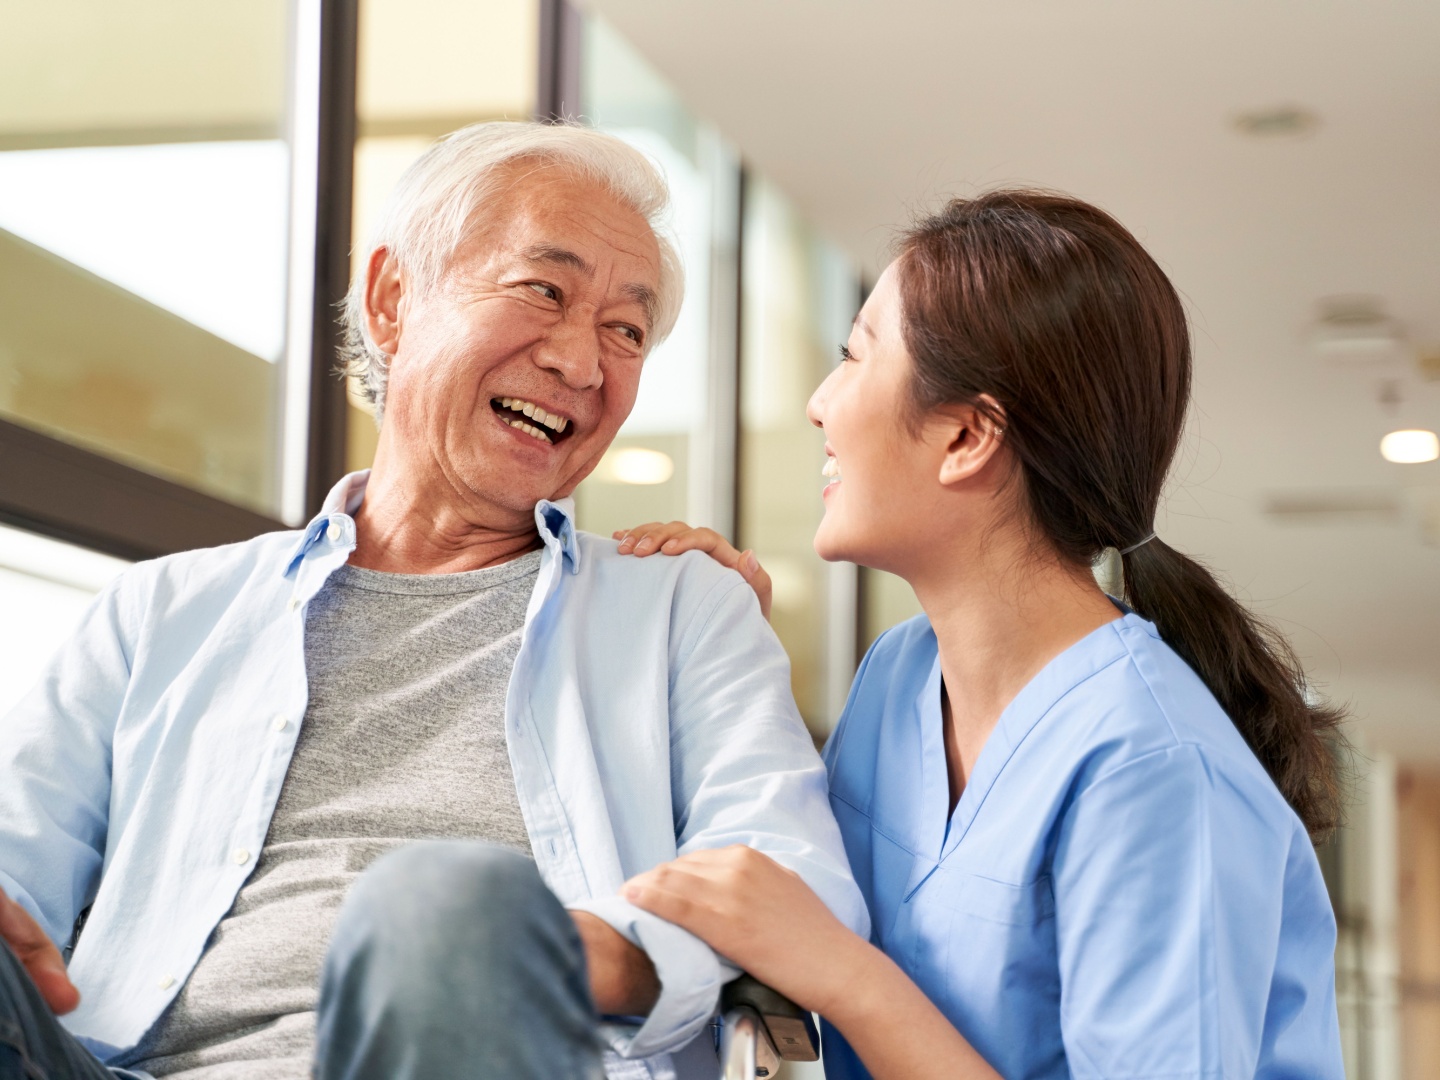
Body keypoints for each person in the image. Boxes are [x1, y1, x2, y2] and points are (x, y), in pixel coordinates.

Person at [0, 121, 866, 1080]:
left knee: (446, 900)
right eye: (544, 289)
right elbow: (15, 863)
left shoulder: (679, 608)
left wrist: (555, 950)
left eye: (626, 330)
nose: (583, 363)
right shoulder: (160, 611)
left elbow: (789, 874)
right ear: (392, 299)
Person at [616, 191, 1345, 1078]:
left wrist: (848, 978)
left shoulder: (1154, 767)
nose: (818, 402)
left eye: (853, 356)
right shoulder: (898, 677)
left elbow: (822, 952)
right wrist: (717, 664)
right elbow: (775, 892)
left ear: (966, 435)